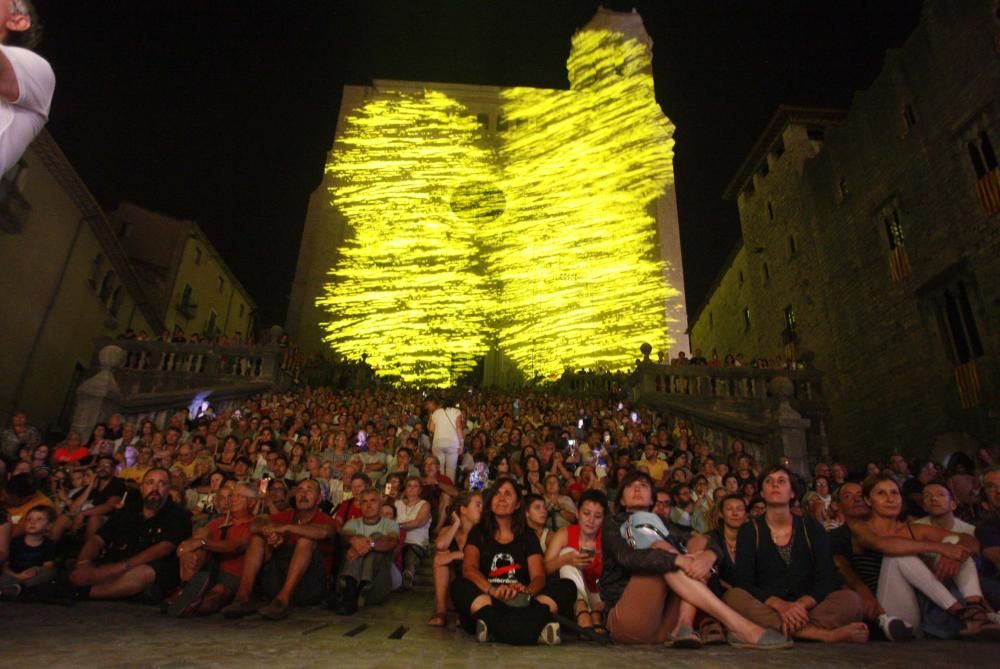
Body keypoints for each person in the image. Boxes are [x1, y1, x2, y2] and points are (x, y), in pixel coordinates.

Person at [600, 470, 791, 649]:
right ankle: (740, 626)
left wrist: (709, 556)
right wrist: (677, 560)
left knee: (699, 542)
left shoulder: (664, 525)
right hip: (630, 622)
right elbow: (627, 558)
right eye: (630, 486)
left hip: (665, 625)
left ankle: (684, 625)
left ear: (652, 498)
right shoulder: (614, 523)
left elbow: (704, 540)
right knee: (661, 550)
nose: (637, 489)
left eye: (643, 485)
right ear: (622, 500)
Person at [725, 465, 867, 644]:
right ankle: (822, 635)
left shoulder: (812, 528)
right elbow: (744, 581)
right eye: (769, 482)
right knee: (733, 597)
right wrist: (780, 605)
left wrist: (799, 606)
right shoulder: (749, 530)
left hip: (808, 608)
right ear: (761, 493)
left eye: (781, 481)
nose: (775, 485)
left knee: (851, 601)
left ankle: (774, 631)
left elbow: (828, 577)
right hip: (768, 605)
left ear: (792, 493)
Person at [848, 473, 996, 639]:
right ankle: (962, 612)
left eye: (894, 493)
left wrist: (952, 553)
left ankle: (974, 607)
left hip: (921, 609)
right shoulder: (860, 527)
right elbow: (883, 544)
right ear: (868, 500)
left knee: (954, 541)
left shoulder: (913, 529)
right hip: (888, 615)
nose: (890, 498)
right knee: (899, 556)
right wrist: (942, 548)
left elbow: (970, 540)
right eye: (881, 493)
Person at [450, 478, 576, 645]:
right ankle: (534, 629)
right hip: (490, 599)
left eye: (507, 494)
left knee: (567, 586)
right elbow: (469, 568)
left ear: (517, 504)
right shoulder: (478, 532)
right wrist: (493, 590)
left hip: (523, 603)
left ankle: (492, 626)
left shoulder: (527, 535)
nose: (501, 498)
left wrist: (527, 591)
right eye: (497, 493)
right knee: (458, 586)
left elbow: (538, 576)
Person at [69, 468, 192, 602]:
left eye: (162, 483)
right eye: (150, 482)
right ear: (142, 488)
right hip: (116, 562)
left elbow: (164, 548)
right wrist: (83, 563)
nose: (155, 488)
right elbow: (98, 539)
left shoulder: (179, 515)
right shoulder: (128, 510)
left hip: (150, 568)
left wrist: (121, 567)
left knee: (143, 574)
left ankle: (85, 592)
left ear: (168, 489)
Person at [222, 479, 336, 620]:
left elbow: (325, 532)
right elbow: (255, 524)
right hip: (279, 578)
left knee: (306, 540)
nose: (303, 494)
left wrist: (286, 528)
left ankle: (282, 601)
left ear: (319, 499)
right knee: (257, 539)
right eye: (300, 490)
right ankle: (243, 598)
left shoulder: (326, 519)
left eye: (309, 490)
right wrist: (271, 533)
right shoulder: (288, 515)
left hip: (310, 586)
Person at [166, 483, 254, 617]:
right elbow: (185, 547)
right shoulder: (217, 522)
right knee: (202, 533)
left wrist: (202, 543)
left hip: (232, 574)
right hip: (207, 571)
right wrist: (186, 554)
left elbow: (235, 546)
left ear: (251, 502)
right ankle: (187, 587)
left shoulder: (255, 523)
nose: (232, 499)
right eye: (232, 496)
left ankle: (190, 601)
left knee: (216, 594)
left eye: (238, 496)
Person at [544, 489, 608, 634]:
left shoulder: (607, 539)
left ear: (603, 518)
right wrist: (566, 559)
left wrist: (601, 604)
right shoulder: (565, 533)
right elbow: (545, 568)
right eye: (586, 514)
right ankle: (581, 608)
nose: (591, 520)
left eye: (597, 516)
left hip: (600, 597)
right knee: (567, 552)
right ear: (577, 513)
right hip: (573, 598)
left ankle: (595, 614)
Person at [329, 487, 400, 615]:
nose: (369, 505)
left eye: (373, 501)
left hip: (378, 579)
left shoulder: (390, 524)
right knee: (357, 540)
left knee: (376, 537)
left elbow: (390, 542)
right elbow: (345, 538)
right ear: (359, 505)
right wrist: (355, 541)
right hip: (353, 577)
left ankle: (359, 587)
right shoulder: (352, 523)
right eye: (364, 502)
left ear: (380, 504)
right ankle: (352, 590)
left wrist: (368, 545)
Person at [428, 491, 483, 627]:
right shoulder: (448, 529)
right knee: (440, 556)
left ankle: (465, 612)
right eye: (478, 505)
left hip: (475, 585)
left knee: (446, 557)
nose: (482, 509)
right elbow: (440, 546)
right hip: (452, 587)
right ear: (463, 509)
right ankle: (441, 612)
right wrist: (456, 523)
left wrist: (454, 555)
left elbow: (484, 554)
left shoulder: (484, 532)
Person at [0, 505, 56, 599]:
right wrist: (17, 575)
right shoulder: (15, 542)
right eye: (29, 519)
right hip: (13, 574)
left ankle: (21, 588)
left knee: (50, 572)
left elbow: (48, 565)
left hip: (32, 574)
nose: (33, 522)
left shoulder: (48, 544)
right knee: (4, 577)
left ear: (49, 525)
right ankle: (12, 589)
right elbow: (5, 565)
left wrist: (36, 569)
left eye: (39, 519)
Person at [395, 476, 431, 590]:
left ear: (420, 490)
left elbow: (418, 522)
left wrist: (397, 526)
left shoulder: (425, 505)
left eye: (415, 486)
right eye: (409, 486)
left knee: (411, 549)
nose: (412, 489)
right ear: (405, 489)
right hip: (398, 540)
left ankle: (409, 573)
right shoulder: (397, 503)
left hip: (417, 542)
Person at [426, 396, 464, 481]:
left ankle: (440, 490)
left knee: (439, 469)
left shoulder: (436, 412)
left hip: (438, 443)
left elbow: (431, 428)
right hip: (453, 444)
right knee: (451, 469)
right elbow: (458, 428)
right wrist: (461, 443)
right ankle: (449, 491)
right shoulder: (457, 411)